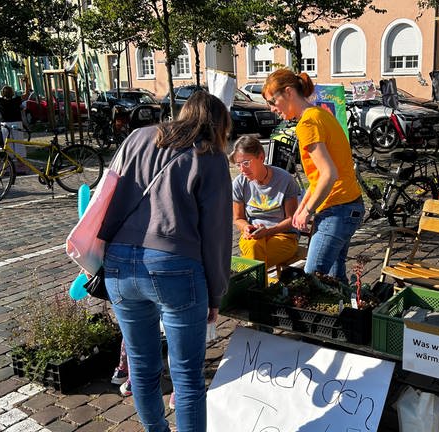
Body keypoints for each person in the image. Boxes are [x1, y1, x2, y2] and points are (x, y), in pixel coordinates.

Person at [98, 91, 232, 432]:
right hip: (175, 266)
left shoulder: (138, 137)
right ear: (220, 124)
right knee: (186, 375)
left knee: (142, 367)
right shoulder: (210, 154)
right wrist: (216, 294)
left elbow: (106, 191)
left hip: (118, 264)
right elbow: (217, 231)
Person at [262, 69, 364, 284]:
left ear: (288, 92)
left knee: (310, 280)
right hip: (349, 205)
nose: (272, 109)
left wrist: (307, 211)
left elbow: (329, 175)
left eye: (272, 101)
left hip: (336, 209)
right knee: (334, 278)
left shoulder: (307, 124)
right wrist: (301, 208)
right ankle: (349, 314)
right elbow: (319, 177)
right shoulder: (321, 114)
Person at [229, 135, 300, 268]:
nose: (242, 169)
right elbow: (238, 218)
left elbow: (291, 219)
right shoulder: (239, 183)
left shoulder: (285, 180)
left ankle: (252, 280)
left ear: (261, 157)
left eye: (246, 163)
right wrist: (246, 227)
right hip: (253, 237)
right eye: (238, 165)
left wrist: (268, 231)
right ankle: (261, 286)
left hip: (283, 236)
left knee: (253, 260)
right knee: (254, 247)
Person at [0, 75, 32, 173]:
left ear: (2, 93)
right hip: (17, 123)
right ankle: (21, 165)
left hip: (5, 125)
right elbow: (27, 94)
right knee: (18, 143)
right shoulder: (16, 100)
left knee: (7, 145)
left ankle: (6, 164)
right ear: (12, 93)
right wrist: (26, 82)